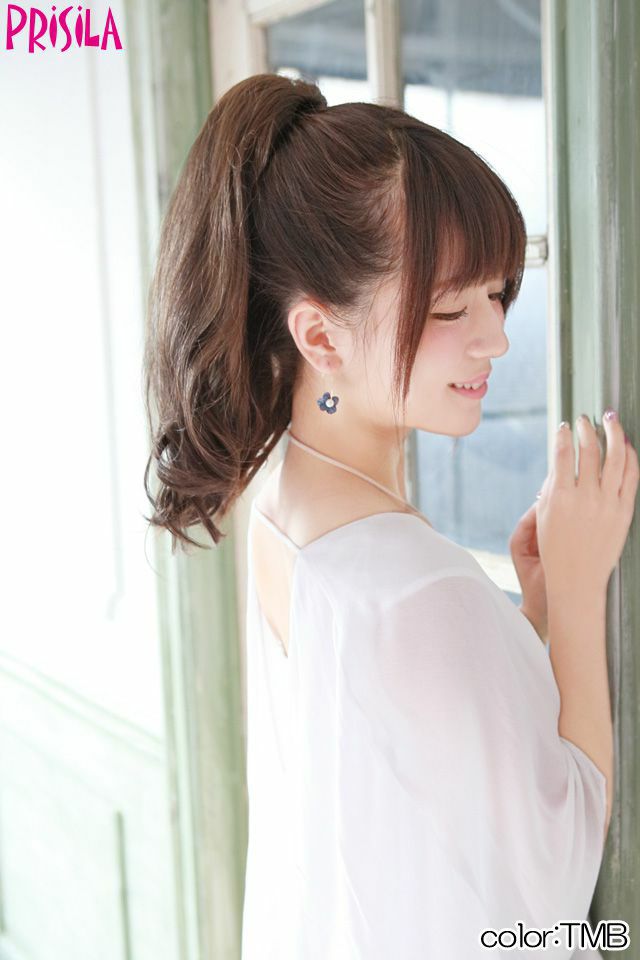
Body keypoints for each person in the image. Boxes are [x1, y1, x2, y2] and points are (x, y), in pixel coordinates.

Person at [142, 73, 639, 959]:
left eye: (498, 293)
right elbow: (556, 874)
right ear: (320, 337)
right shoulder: (412, 585)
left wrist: (528, 617)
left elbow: (406, 760)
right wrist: (576, 589)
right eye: (449, 308)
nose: (495, 337)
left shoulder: (287, 505)